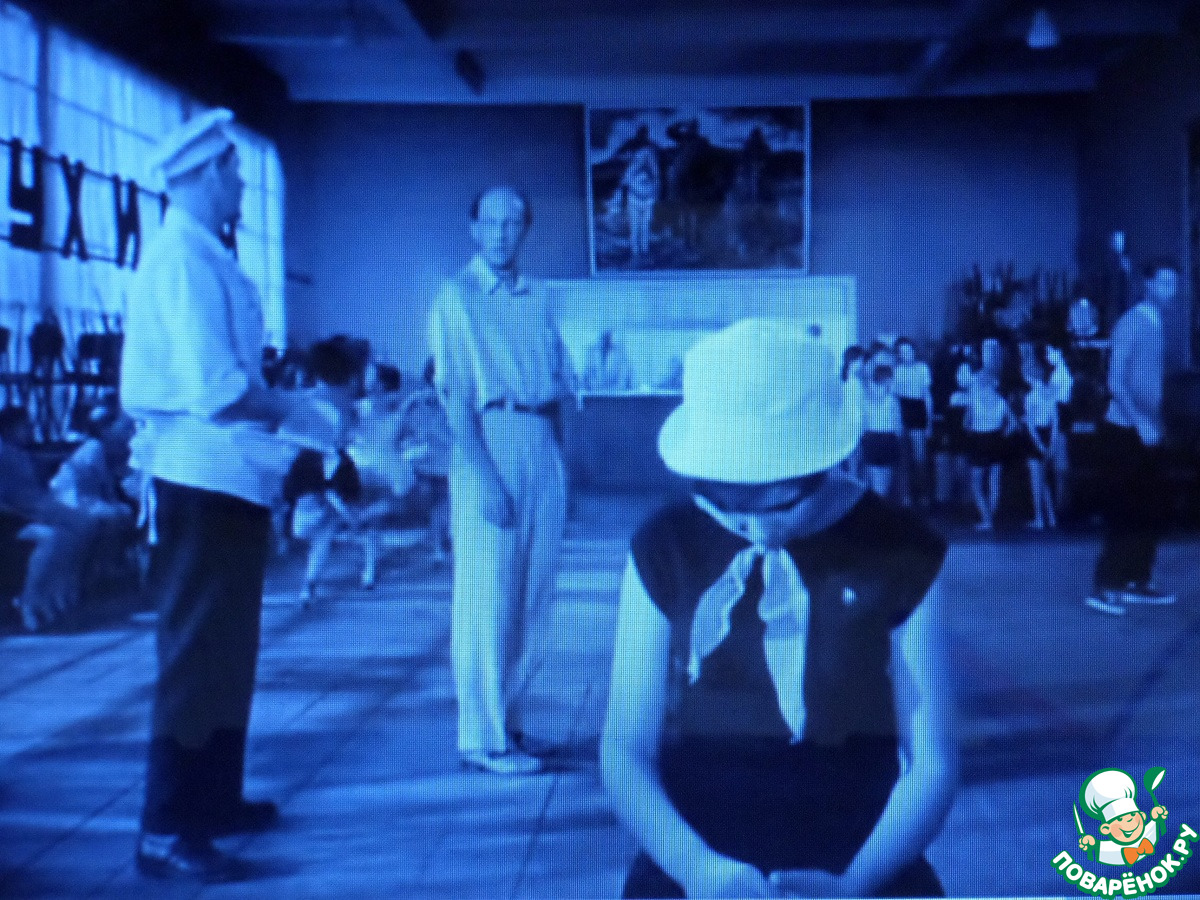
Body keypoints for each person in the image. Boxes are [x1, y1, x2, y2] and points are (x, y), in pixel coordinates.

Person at [601, 320, 956, 899]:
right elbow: (624, 749)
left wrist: (853, 886)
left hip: (863, 849)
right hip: (694, 847)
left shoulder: (901, 549)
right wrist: (699, 871)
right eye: (728, 502)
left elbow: (933, 762)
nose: (754, 527)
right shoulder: (666, 546)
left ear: (822, 465)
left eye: (780, 500)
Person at [120, 109, 324, 881]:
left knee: (229, 652)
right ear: (206, 174)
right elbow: (220, 389)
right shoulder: (182, 259)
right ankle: (166, 829)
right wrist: (299, 410)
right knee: (196, 656)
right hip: (197, 477)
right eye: (234, 171)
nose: (241, 183)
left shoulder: (206, 253)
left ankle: (214, 800)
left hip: (229, 477)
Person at [428, 186, 572, 775]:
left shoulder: (541, 297)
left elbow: (556, 387)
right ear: (473, 229)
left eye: (514, 222)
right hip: (489, 442)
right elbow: (454, 398)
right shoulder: (455, 297)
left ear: (526, 229)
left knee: (531, 598)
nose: (502, 232)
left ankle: (510, 722)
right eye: (491, 222)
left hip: (540, 443)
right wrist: (483, 478)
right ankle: (482, 738)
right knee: (488, 598)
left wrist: (559, 467)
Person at [1085, 256, 1179, 615]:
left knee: (1151, 509)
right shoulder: (1131, 323)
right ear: (1148, 284)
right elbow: (1116, 381)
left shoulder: (1157, 324)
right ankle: (1106, 585)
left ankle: (1137, 580)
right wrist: (1139, 421)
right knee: (1124, 510)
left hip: (1150, 431)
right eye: (1164, 283)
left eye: (1174, 284)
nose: (1171, 291)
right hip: (1124, 432)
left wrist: (1155, 424)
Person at [963, 369, 1016, 531]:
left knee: (976, 484)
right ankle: (990, 517)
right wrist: (1003, 434)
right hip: (997, 440)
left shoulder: (974, 399)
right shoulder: (1002, 401)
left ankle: (986, 519)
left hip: (980, 441)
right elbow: (1013, 424)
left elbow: (966, 424)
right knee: (994, 483)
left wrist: (972, 431)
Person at [893, 338, 933, 506]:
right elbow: (895, 398)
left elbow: (927, 396)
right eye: (903, 352)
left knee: (920, 458)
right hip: (902, 410)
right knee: (903, 458)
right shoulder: (896, 371)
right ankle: (906, 496)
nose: (906, 354)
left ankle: (923, 495)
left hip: (918, 411)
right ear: (899, 354)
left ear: (914, 351)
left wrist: (929, 423)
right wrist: (896, 421)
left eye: (909, 351)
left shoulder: (922, 368)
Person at [1021, 357, 1059, 530]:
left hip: (1036, 438)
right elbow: (1055, 421)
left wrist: (1039, 445)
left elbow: (1030, 425)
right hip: (1048, 434)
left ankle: (1039, 518)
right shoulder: (1051, 393)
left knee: (1036, 480)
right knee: (1044, 480)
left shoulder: (1030, 397)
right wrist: (1052, 443)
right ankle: (1051, 516)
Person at [860, 363, 903, 501]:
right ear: (888, 379)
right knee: (884, 484)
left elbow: (863, 422)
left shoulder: (866, 397)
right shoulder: (892, 399)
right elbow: (898, 425)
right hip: (887, 439)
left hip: (870, 439)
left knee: (872, 481)